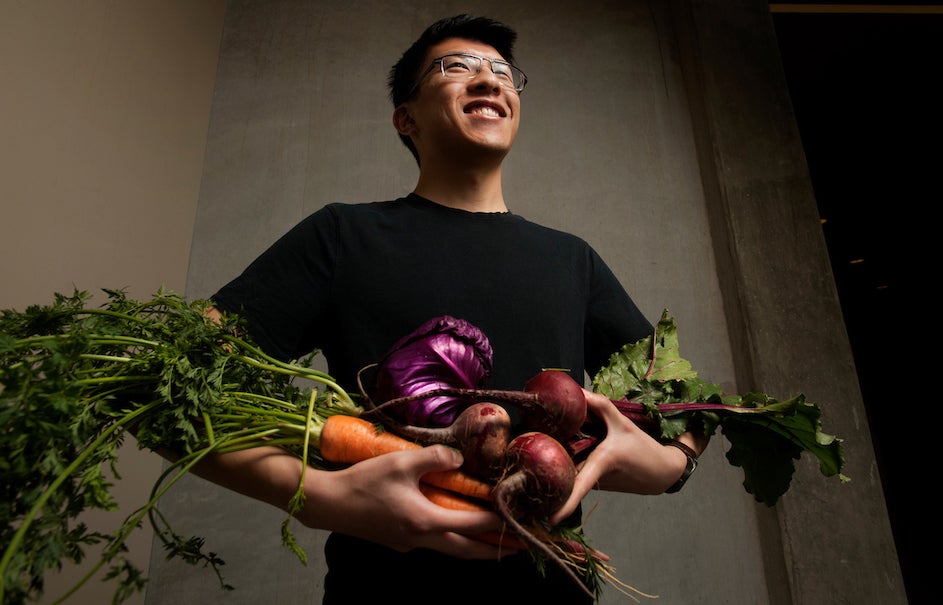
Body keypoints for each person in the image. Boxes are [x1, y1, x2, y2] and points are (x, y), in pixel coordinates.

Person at [199, 14, 708, 605]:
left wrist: (669, 466)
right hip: (382, 590)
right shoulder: (343, 236)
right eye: (457, 67)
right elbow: (166, 384)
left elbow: (690, 406)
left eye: (502, 72)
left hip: (554, 591)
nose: (489, 81)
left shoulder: (572, 260)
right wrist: (319, 498)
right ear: (405, 118)